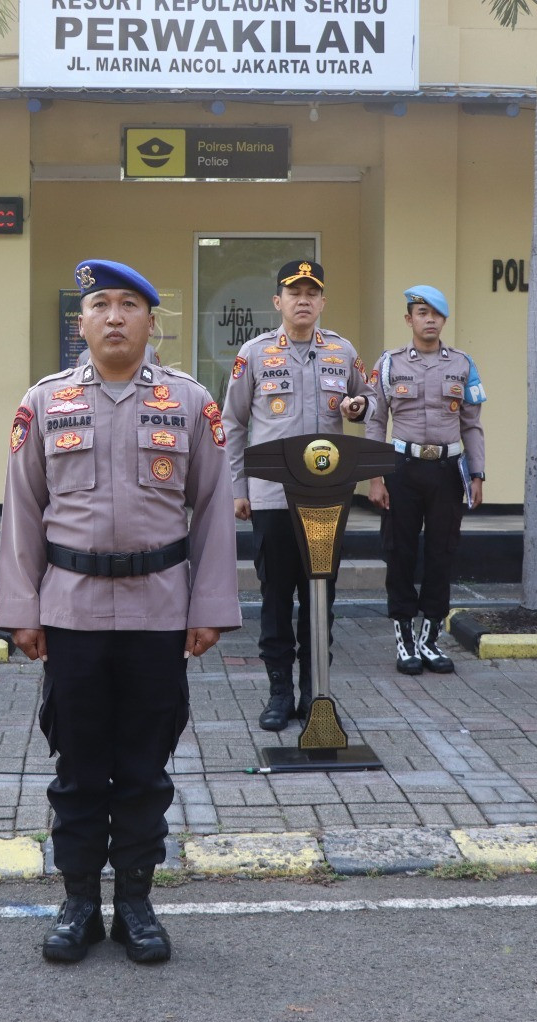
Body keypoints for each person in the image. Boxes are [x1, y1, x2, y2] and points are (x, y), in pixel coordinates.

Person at [0, 259, 240, 965]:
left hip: (157, 610)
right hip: (70, 611)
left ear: (151, 322)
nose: (114, 316)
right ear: (81, 322)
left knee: (143, 768)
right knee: (77, 767)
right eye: (100, 303)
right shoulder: (45, 403)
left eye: (129, 304)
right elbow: (22, 511)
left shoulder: (189, 402)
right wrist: (21, 609)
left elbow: (213, 510)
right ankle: (78, 903)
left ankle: (135, 902)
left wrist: (209, 606)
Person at [221, 260, 371, 731]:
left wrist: (357, 406)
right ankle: (279, 693)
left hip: (326, 497)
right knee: (275, 598)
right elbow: (232, 422)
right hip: (271, 497)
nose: (303, 300)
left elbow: (367, 400)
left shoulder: (342, 351)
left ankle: (314, 691)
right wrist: (237, 488)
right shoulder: (254, 353)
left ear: (323, 301)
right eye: (294, 292)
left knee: (320, 597)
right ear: (278, 302)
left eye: (311, 292)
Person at [364, 285, 486, 675]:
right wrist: (375, 478)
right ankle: (404, 640)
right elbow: (375, 422)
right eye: (422, 313)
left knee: (441, 553)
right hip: (402, 470)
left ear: (444, 320)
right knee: (399, 553)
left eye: (436, 314)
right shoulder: (389, 364)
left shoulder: (463, 364)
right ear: (409, 319)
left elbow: (472, 424)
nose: (429, 320)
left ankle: (429, 640)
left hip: (447, 473)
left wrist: (478, 474)